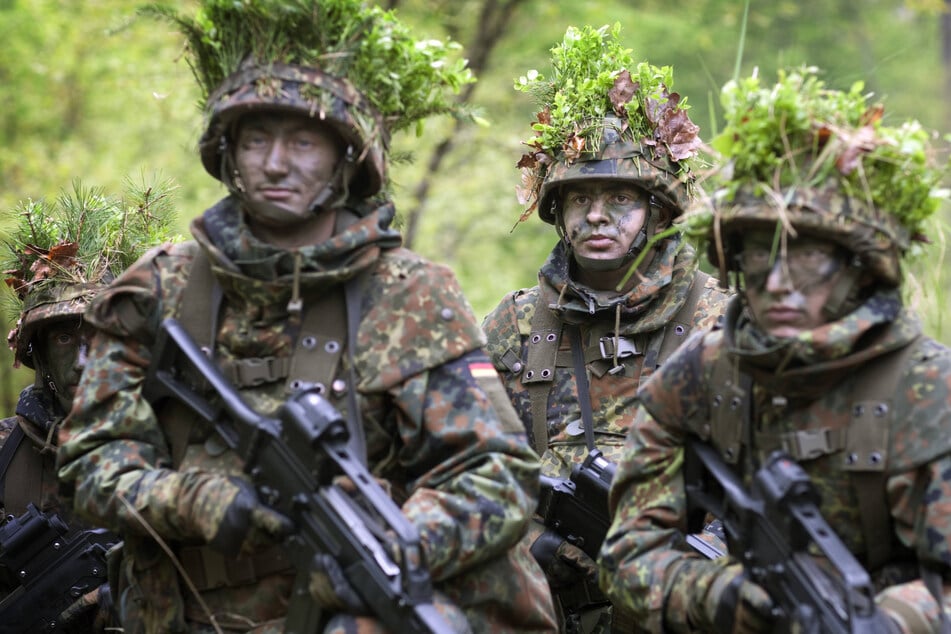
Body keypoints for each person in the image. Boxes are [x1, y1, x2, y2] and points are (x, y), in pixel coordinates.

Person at [56, 2, 557, 633]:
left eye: (302, 142)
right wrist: (192, 500)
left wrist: (397, 543)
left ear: (345, 159)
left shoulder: (410, 298)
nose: (275, 162)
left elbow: (496, 474)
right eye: (256, 139)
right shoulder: (162, 290)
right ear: (228, 153)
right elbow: (88, 462)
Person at [599, 66, 951, 633]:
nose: (780, 284)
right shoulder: (702, 376)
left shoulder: (927, 388)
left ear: (859, 270)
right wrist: (723, 596)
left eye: (808, 258)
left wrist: (895, 621)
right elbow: (627, 557)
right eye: (762, 256)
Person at [481, 24, 731, 634]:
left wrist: (695, 571)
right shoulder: (515, 325)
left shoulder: (719, 323)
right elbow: (468, 469)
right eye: (579, 199)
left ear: (658, 211)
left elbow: (766, 487)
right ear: (558, 212)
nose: (596, 216)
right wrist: (531, 544)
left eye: (619, 198)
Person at [0, 179, 177, 632]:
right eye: (65, 338)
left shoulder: (172, 446)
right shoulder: (4, 451)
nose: (84, 360)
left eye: (98, 337)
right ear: (39, 353)